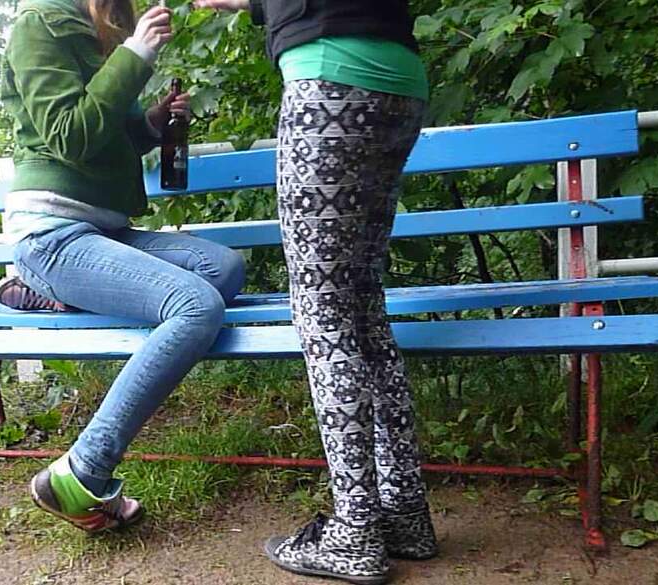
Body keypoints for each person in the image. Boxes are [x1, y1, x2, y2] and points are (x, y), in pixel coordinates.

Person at [193, 1, 437, 583]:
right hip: (398, 77)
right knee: (363, 307)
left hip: (329, 78)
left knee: (322, 311)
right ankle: (404, 513)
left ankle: (354, 535)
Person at [0, 0, 246, 533]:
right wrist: (136, 54)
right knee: (196, 306)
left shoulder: (100, 29)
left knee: (223, 270)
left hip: (106, 230)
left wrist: (154, 122)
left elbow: (111, 136)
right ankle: (81, 471)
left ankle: (54, 293)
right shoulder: (39, 23)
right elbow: (71, 136)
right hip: (51, 233)